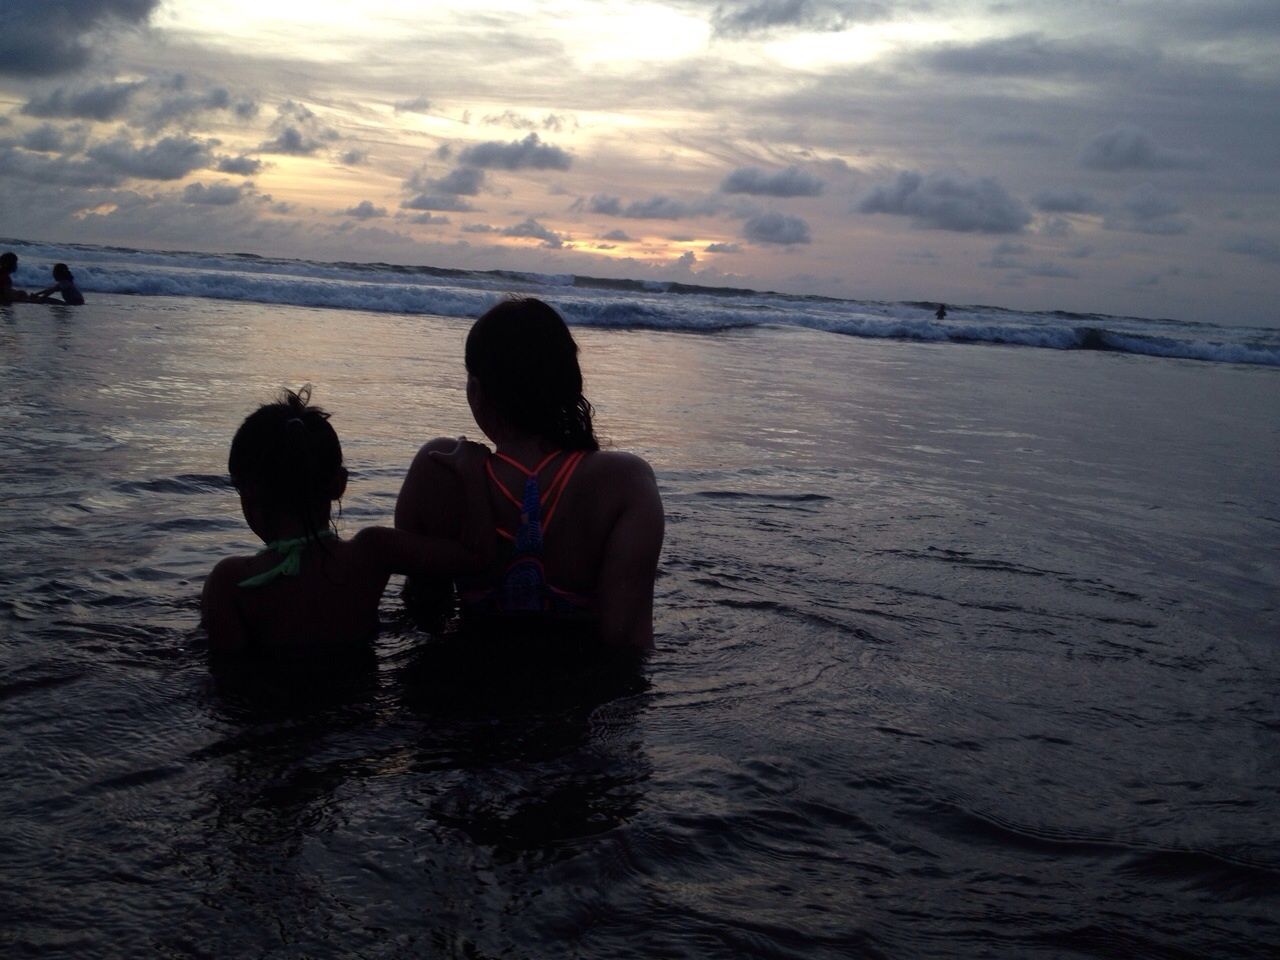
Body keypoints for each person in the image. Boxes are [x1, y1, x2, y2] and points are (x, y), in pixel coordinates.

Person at [395, 298, 664, 651]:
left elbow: (426, 611)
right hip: (574, 693)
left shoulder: (439, 466)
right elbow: (627, 640)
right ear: (570, 385)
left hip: (461, 684)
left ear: (476, 390)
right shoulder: (624, 482)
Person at [202, 386, 494, 657]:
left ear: (248, 494)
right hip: (364, 704)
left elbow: (227, 678)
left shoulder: (229, 582)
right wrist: (473, 474)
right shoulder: (374, 551)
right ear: (339, 484)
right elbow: (479, 557)